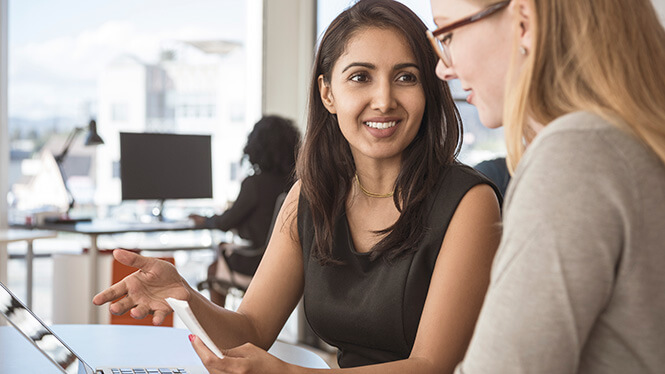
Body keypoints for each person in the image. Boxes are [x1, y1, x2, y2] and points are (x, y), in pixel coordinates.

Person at [93, 1, 502, 372]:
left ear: (428, 90)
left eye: (405, 77)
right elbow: (251, 328)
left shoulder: (469, 202)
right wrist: (185, 298)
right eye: (360, 77)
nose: (383, 100)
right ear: (328, 93)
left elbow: (432, 366)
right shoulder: (310, 196)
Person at [427, 0, 665, 372]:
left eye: (448, 34)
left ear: (524, 21)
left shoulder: (577, 155)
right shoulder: (626, 145)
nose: (444, 66)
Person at [188, 115, 300, 306]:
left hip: (255, 264)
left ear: (256, 146)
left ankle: (218, 328)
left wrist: (205, 220)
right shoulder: (295, 184)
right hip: (283, 263)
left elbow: (225, 223)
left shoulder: (255, 184)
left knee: (214, 269)